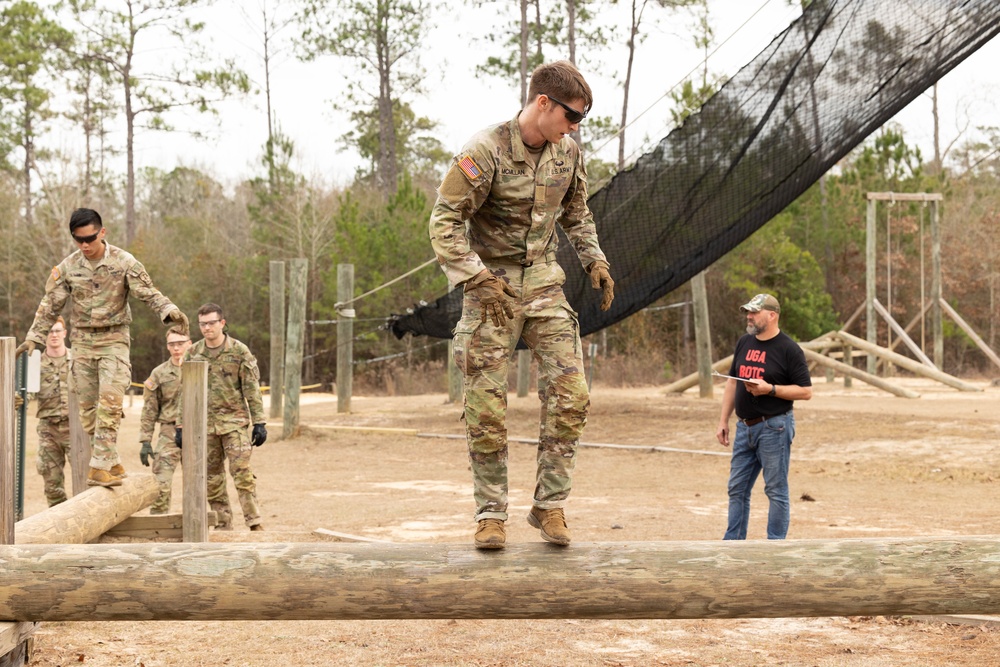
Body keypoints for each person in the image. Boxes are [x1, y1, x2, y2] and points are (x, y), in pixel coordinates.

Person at [429, 60, 615, 550]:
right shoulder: (483, 151)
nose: (575, 128)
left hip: (546, 286)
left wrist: (595, 260)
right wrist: (476, 278)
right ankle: (491, 514)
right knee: (486, 406)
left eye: (581, 120)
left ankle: (550, 506)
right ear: (543, 103)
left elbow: (577, 213)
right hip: (492, 290)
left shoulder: (567, 152)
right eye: (572, 116)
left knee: (572, 396)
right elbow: (445, 221)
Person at [16, 208, 188, 488]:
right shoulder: (69, 267)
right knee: (87, 410)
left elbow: (148, 292)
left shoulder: (124, 262)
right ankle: (112, 460)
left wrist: (168, 310)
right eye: (78, 240)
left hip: (114, 340)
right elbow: (50, 304)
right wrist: (35, 336)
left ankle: (98, 467)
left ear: (102, 233)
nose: (85, 245)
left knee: (109, 402)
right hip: (82, 342)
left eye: (90, 238)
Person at [715, 293, 812, 540]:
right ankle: (733, 546)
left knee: (775, 490)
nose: (749, 316)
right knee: (737, 489)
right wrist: (723, 420)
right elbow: (731, 384)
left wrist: (770, 389)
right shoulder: (744, 343)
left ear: (772, 315)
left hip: (774, 428)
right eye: (748, 311)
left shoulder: (789, 349)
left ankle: (775, 549)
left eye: (754, 312)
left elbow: (805, 392)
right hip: (744, 428)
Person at [176, 303, 267, 531]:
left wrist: (259, 422)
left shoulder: (238, 351)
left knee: (242, 473)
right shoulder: (193, 353)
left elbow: (251, 389)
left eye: (212, 323)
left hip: (234, 423)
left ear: (222, 323)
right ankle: (222, 523)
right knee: (212, 478)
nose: (207, 328)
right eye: (203, 324)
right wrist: (180, 425)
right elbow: (183, 390)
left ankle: (254, 521)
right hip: (204, 426)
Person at [139, 326, 191, 514]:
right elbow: (150, 409)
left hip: (198, 431)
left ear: (190, 344)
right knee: (161, 482)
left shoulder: (202, 368)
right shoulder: (159, 373)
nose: (177, 348)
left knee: (203, 482)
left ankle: (215, 525)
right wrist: (145, 440)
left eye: (180, 343)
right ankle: (158, 525)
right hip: (169, 432)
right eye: (172, 344)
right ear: (167, 347)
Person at [33, 317, 73, 506]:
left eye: (57, 331)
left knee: (86, 478)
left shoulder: (78, 360)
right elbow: (27, 395)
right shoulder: (35, 364)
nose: (54, 335)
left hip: (76, 428)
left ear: (65, 333)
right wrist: (18, 398)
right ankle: (61, 527)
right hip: (49, 429)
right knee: (52, 484)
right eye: (50, 331)